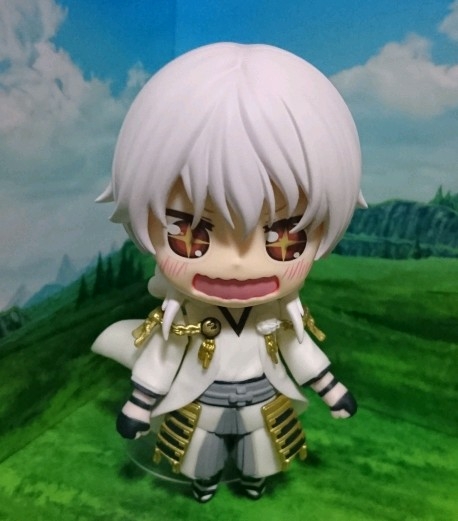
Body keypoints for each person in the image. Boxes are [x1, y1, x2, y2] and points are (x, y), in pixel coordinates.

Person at [92, 42, 365, 502]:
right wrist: (140, 405)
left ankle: (254, 481)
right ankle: (205, 482)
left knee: (261, 450)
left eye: (283, 235)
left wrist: (330, 387)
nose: (237, 262)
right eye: (190, 232)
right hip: (201, 401)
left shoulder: (277, 314)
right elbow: (164, 356)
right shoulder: (186, 315)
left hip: (263, 398)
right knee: (202, 451)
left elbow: (298, 347)